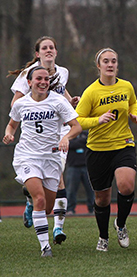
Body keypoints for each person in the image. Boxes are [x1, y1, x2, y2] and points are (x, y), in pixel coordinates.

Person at [3, 66, 82, 257]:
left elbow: (76, 127)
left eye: (46, 79)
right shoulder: (21, 104)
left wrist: (66, 138)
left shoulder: (58, 101)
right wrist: (8, 134)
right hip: (27, 157)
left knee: (46, 207)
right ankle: (45, 247)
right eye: (39, 79)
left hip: (51, 158)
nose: (43, 82)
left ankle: (29, 199)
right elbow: (12, 124)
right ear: (29, 82)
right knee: (40, 199)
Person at [75, 48, 137, 252]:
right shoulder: (91, 92)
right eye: (106, 61)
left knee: (126, 185)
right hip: (98, 149)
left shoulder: (126, 86)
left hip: (123, 144)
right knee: (102, 198)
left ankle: (120, 224)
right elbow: (77, 121)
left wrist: (134, 115)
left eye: (113, 61)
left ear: (117, 65)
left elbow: (133, 103)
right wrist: (98, 120)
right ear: (99, 66)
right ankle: (103, 237)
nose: (110, 65)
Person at [65, 130, 94, 214]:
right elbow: (70, 144)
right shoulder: (68, 133)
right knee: (71, 190)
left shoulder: (86, 133)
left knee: (91, 189)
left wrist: (75, 143)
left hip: (87, 166)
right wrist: (80, 142)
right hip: (73, 166)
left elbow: (88, 141)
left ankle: (92, 209)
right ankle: (70, 209)